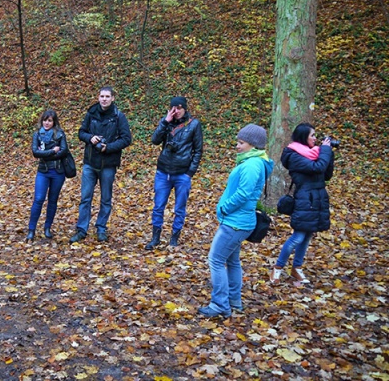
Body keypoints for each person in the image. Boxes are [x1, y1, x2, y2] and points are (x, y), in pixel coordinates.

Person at [198, 124, 273, 318]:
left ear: (253, 145)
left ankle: (219, 305)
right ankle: (234, 301)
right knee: (232, 261)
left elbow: (244, 193)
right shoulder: (252, 162)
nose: (237, 146)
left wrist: (225, 207)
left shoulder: (252, 164)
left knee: (215, 260)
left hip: (235, 222)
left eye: (241, 143)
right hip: (238, 221)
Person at [270, 123, 334, 285]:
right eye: (312, 135)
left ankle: (296, 268)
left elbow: (326, 174)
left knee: (307, 236)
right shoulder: (293, 155)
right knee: (297, 237)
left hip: (317, 199)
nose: (315, 138)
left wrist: (329, 154)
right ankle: (277, 268)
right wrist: (325, 151)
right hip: (305, 200)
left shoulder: (314, 153)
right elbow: (317, 167)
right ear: (303, 136)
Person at [70, 86, 132, 243]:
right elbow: (81, 132)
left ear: (112, 99)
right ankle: (81, 229)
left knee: (105, 199)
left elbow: (126, 139)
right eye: (102, 96)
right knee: (85, 197)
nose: (104, 99)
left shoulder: (118, 116)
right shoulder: (91, 113)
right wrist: (90, 138)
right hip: (90, 162)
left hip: (108, 164)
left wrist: (108, 147)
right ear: (98, 98)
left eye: (107, 96)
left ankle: (101, 229)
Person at [145, 96, 203, 250]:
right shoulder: (166, 122)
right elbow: (155, 140)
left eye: (179, 108)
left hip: (182, 173)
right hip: (163, 171)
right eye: (173, 108)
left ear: (185, 109)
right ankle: (155, 238)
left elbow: (198, 150)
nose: (176, 111)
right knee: (158, 206)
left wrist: (190, 173)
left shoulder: (194, 125)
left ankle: (174, 238)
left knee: (179, 208)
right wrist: (165, 122)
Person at [26, 110, 69, 241]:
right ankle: (31, 230)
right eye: (45, 120)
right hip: (43, 171)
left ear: (54, 122)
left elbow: (63, 151)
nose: (47, 123)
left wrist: (44, 152)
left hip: (58, 172)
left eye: (50, 120)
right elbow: (35, 152)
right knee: (38, 199)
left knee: (53, 200)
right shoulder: (37, 134)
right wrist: (51, 151)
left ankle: (47, 228)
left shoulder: (60, 134)